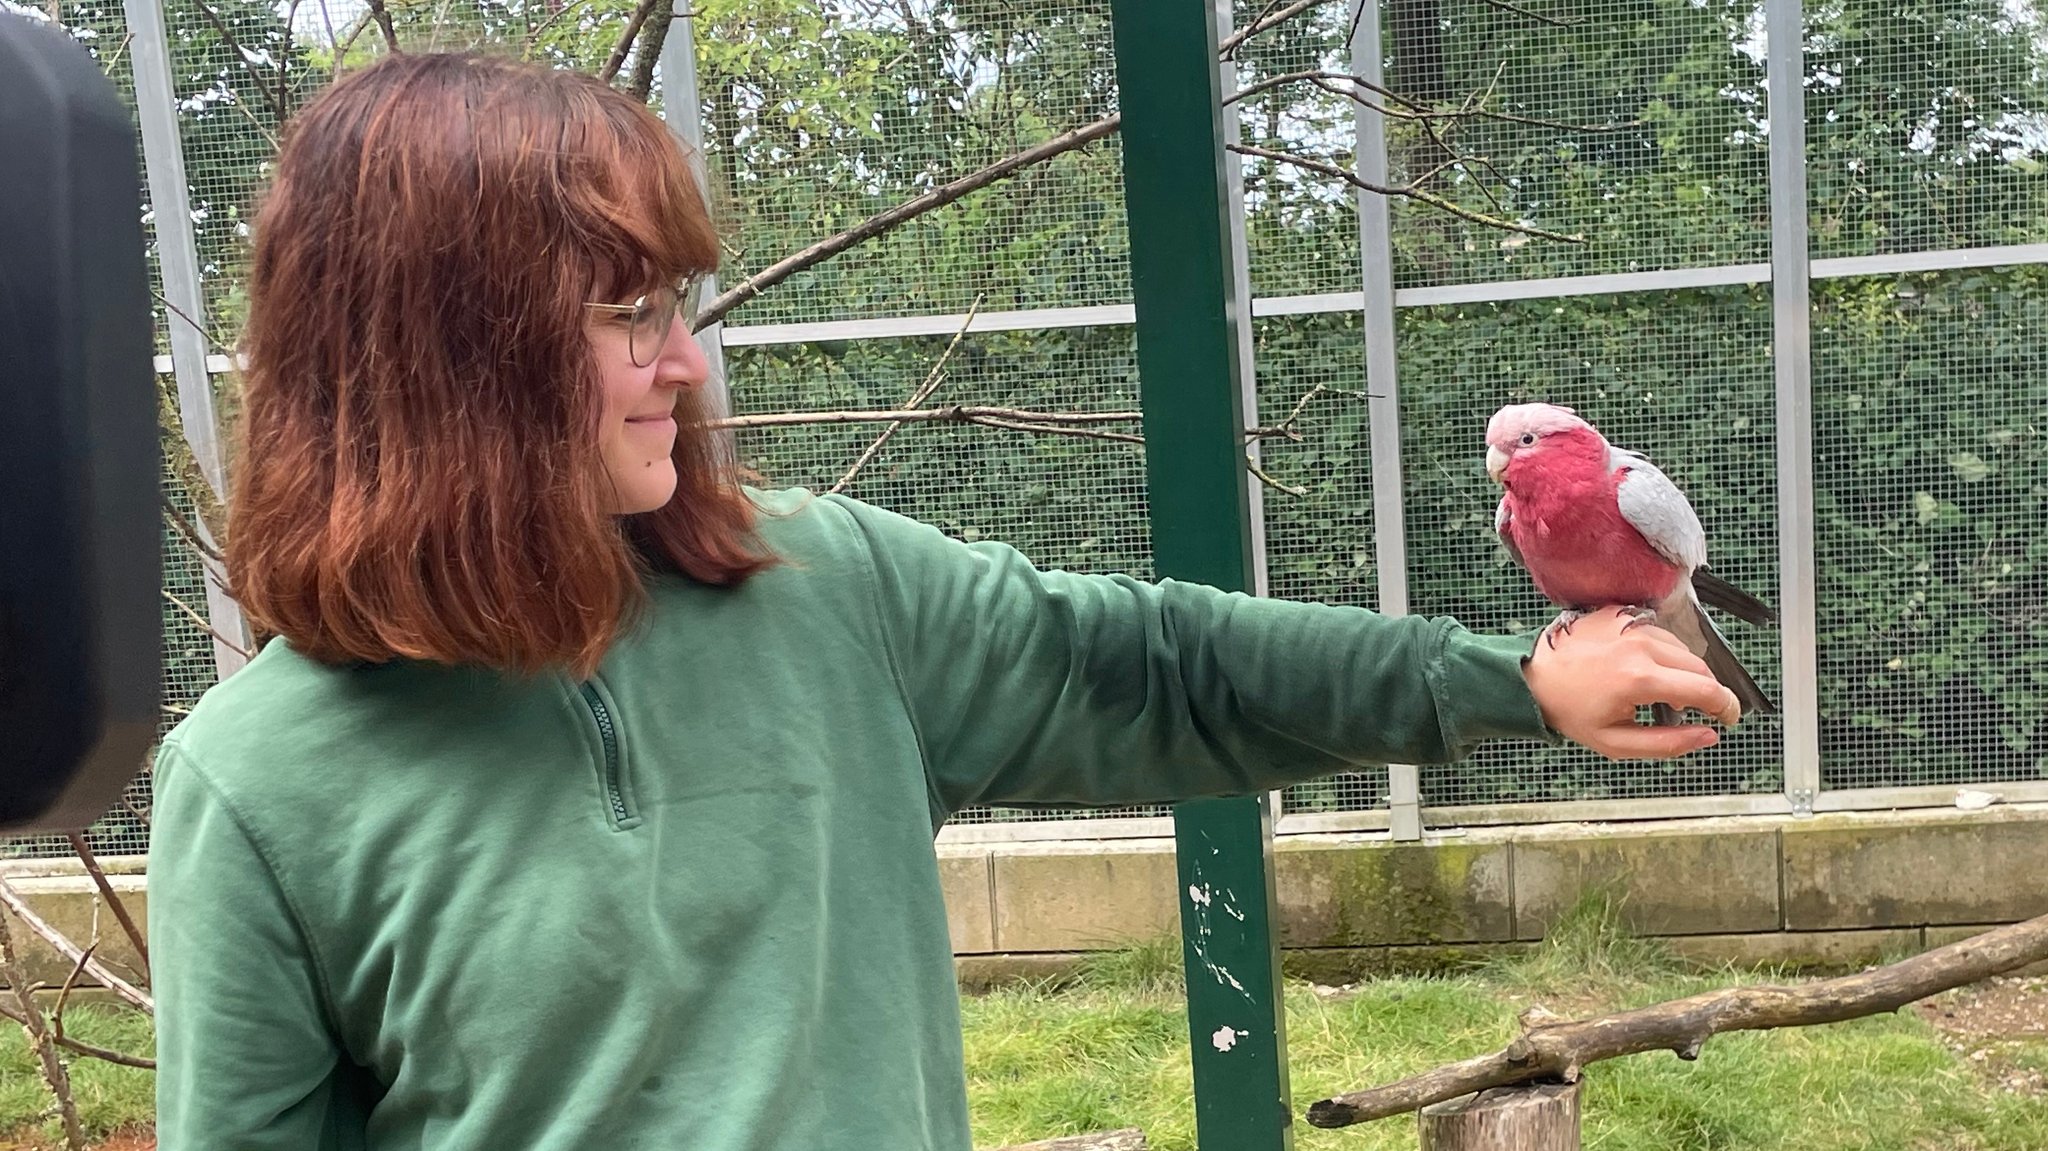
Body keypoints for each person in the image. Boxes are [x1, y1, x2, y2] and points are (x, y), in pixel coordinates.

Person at [147, 51, 1739, 1151]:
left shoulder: (828, 594)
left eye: (676, 308)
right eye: (625, 316)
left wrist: (1507, 679)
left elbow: (1166, 667)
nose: (684, 362)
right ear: (447, 360)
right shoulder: (261, 781)